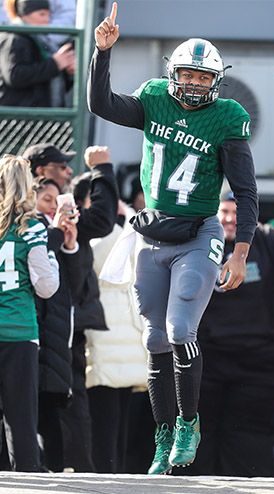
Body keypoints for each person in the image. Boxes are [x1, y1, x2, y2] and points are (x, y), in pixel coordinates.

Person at [88, 2, 258, 474]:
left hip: (198, 230)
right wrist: (102, 54)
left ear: (216, 81)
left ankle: (189, 422)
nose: (195, 84)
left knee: (182, 327)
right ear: (173, 73)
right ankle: (163, 435)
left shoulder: (226, 116)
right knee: (154, 338)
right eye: (189, 74)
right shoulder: (155, 97)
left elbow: (245, 191)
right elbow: (101, 105)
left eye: (204, 78)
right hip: (153, 228)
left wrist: (240, 251)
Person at [181, 190, 274, 477]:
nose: (231, 219)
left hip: (258, 362)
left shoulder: (268, 238)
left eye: (238, 213)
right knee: (201, 433)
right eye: (225, 212)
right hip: (207, 359)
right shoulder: (199, 237)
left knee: (248, 435)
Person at [58, 145, 118, 472]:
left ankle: (73, 469)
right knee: (67, 400)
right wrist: (102, 170)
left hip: (70, 325)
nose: (67, 172)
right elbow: (103, 219)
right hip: (50, 325)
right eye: (59, 167)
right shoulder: (53, 218)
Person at [0, 154, 59, 471]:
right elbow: (46, 287)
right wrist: (53, 255)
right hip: (18, 331)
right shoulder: (32, 229)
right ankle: (26, 477)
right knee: (20, 416)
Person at [85, 199, 148, 473]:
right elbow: (101, 260)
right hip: (106, 338)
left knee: (120, 423)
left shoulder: (129, 227)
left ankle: (116, 478)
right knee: (105, 422)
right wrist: (121, 222)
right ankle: (108, 480)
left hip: (126, 337)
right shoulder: (99, 231)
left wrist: (126, 219)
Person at [33, 177, 80, 472]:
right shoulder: (32, 228)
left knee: (51, 408)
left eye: (57, 200)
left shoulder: (56, 232)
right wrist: (53, 234)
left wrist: (71, 245)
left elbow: (76, 285)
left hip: (58, 336)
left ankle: (56, 470)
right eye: (48, 200)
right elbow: (42, 287)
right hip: (35, 332)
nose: (54, 206)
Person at [0, 0, 75, 107]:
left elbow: (46, 80)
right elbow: (15, 75)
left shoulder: (41, 41)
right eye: (42, 14)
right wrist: (55, 64)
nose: (47, 20)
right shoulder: (14, 38)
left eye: (49, 15)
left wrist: (66, 71)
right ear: (24, 15)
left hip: (37, 117)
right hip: (20, 117)